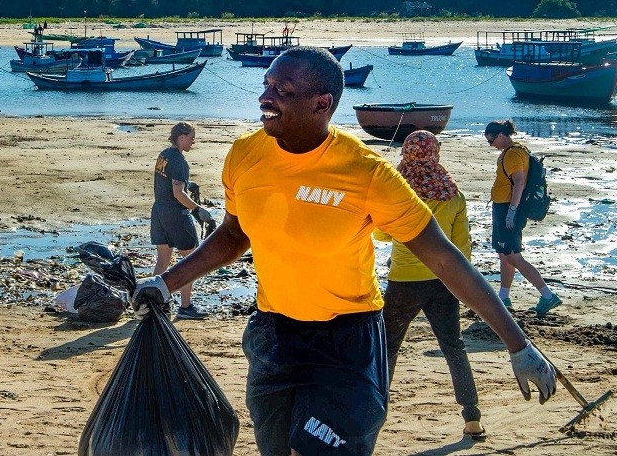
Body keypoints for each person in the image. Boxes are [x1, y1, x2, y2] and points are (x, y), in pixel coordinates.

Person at [132, 48, 556, 456]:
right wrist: (165, 282)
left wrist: (518, 345)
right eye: (266, 85)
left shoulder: (367, 173)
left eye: (282, 90)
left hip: (347, 343)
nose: (265, 97)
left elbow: (445, 258)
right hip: (273, 339)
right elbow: (232, 234)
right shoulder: (245, 155)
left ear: (322, 103)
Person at [373, 130, 484, 440]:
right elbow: (462, 247)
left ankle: (374, 413)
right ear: (435, 152)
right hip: (443, 281)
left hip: (404, 280)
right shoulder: (452, 194)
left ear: (407, 153)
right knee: (454, 347)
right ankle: (472, 416)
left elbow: (381, 235)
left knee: (387, 348)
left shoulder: (398, 191)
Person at [485, 119, 562, 316]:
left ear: (501, 135)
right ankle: (504, 296)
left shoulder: (512, 154)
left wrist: (512, 210)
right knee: (504, 253)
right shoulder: (517, 149)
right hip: (504, 207)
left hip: (508, 209)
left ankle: (547, 295)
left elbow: (519, 183)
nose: (490, 145)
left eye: (491, 140)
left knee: (512, 254)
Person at [151, 122, 214, 320]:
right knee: (190, 262)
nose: (193, 141)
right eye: (191, 137)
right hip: (175, 215)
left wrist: (189, 184)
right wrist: (198, 209)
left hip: (159, 211)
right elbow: (178, 193)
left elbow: (170, 183)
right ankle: (185, 307)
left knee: (162, 261)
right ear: (181, 137)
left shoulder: (164, 155)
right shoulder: (179, 160)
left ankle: (155, 304)